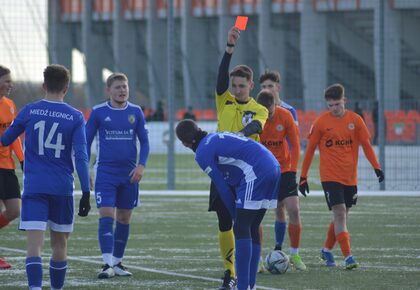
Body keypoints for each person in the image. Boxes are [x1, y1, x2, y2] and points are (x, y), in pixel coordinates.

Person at [0, 64, 91, 289]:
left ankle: (35, 288)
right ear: (66, 88)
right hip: (62, 188)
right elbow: (81, 156)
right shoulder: (75, 116)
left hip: (34, 188)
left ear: (43, 85)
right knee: (60, 244)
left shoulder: (29, 111)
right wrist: (87, 192)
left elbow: (6, 138)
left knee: (34, 245)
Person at [176, 119, 279, 290]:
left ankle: (243, 287)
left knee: (241, 228)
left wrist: (234, 214)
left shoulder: (202, 152)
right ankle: (250, 286)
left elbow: (221, 186)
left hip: (256, 171)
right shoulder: (215, 137)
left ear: (185, 144)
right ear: (199, 129)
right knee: (252, 228)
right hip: (273, 166)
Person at [298, 83, 385, 269]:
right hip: (330, 176)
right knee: (339, 212)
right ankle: (348, 258)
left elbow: (367, 146)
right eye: (330, 105)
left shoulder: (356, 120)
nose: (334, 108)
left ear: (344, 100)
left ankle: (327, 250)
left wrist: (376, 167)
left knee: (342, 216)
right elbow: (310, 150)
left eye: (337, 104)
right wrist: (303, 177)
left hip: (350, 177)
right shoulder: (321, 123)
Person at [213, 26, 269, 289]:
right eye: (234, 85)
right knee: (225, 221)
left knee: (246, 225)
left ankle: (249, 276)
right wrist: (229, 48)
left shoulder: (259, 108)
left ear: (251, 86)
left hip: (248, 174)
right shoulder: (224, 99)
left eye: (241, 85)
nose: (236, 89)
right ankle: (230, 271)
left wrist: (238, 136)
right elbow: (220, 80)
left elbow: (257, 126)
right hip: (222, 171)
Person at [86, 72, 150, 279]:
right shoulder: (97, 113)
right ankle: (106, 264)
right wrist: (85, 170)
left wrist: (141, 166)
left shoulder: (136, 112)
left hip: (130, 175)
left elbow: (145, 142)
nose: (122, 90)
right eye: (117, 87)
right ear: (108, 90)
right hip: (105, 172)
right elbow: (85, 143)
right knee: (106, 215)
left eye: (124, 87)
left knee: (124, 218)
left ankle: (117, 262)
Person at [258, 70, 306, 270]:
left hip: (285, 168)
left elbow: (294, 144)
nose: (267, 89)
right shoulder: (255, 113)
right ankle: (258, 258)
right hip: (263, 170)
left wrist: (292, 169)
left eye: (270, 86)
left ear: (278, 87)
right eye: (264, 86)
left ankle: (293, 254)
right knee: (258, 213)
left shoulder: (287, 112)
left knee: (291, 209)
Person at [0, 65, 24, 269]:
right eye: (7, 81)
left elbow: (14, 136)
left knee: (14, 210)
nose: (10, 84)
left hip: (7, 167)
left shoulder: (9, 105)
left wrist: (22, 159)